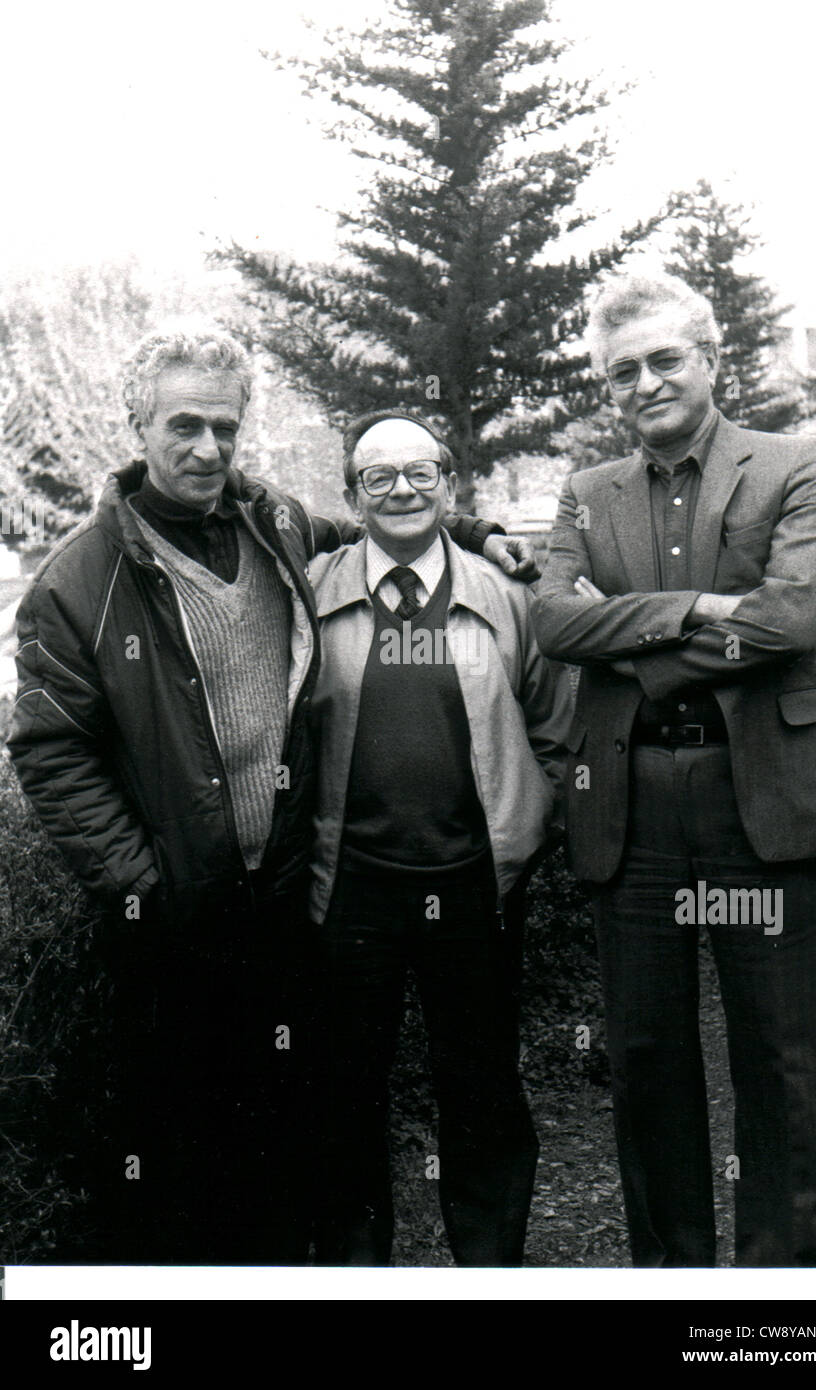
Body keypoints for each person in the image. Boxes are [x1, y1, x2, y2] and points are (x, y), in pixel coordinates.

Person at [5, 325, 536, 1265]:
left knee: (301, 1128)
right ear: (136, 424)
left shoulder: (273, 525)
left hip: (293, 899)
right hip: (180, 914)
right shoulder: (77, 584)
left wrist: (478, 530)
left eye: (225, 426)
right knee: (183, 1149)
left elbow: (388, 517)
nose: (207, 448)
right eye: (184, 426)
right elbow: (51, 753)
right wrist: (146, 885)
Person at [532, 272, 816, 1268]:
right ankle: (671, 1287)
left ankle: (784, 1295)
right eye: (621, 371)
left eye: (666, 358)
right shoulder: (588, 493)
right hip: (632, 810)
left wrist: (627, 630)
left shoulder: (794, 462)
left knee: (778, 1059)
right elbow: (551, 619)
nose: (645, 382)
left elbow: (793, 616)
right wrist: (706, 609)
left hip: (757, 793)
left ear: (710, 359)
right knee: (649, 1060)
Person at [307, 410, 571, 1265]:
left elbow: (554, 722)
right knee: (343, 1097)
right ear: (351, 497)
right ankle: (357, 1276)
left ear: (450, 486)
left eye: (421, 473)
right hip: (349, 888)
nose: (401, 490)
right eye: (378, 477)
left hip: (476, 886)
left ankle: (487, 1271)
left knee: (485, 1091)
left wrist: (533, 825)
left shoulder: (507, 592)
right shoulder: (309, 589)